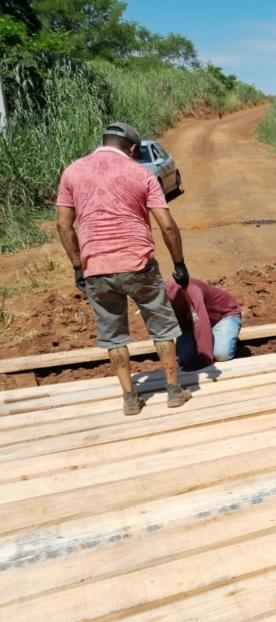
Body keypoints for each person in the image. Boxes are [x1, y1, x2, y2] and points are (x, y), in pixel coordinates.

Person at [56, 122, 193, 416]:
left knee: (114, 336)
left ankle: (130, 398)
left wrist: (78, 266)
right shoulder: (141, 173)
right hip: (139, 265)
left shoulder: (73, 172)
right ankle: (173, 391)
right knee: (162, 328)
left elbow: (63, 225)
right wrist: (179, 264)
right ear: (132, 148)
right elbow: (167, 225)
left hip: (97, 268)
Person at [164, 277, 242, 370]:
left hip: (223, 316)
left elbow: (201, 322)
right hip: (190, 323)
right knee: (184, 359)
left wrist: (205, 357)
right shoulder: (158, 299)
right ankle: (214, 338)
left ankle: (224, 338)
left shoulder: (191, 290)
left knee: (221, 354)